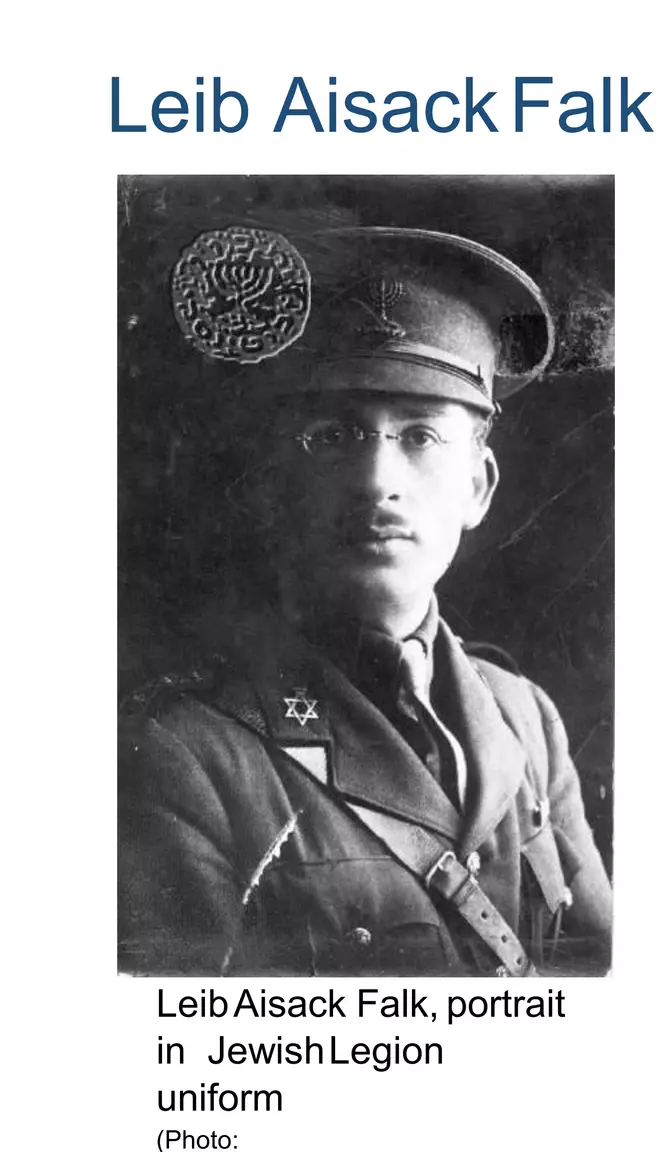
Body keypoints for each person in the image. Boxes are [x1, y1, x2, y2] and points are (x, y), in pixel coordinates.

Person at [118, 225, 613, 974]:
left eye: (420, 436)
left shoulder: (522, 715)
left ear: (477, 487)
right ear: (276, 485)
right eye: (334, 436)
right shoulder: (191, 759)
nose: (377, 479)